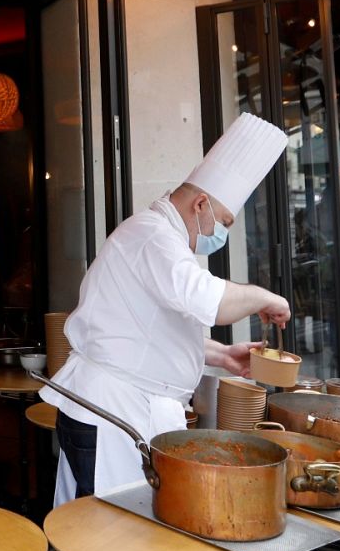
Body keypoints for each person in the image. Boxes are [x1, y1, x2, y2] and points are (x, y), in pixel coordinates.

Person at [40, 113, 292, 509]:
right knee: (109, 538)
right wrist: (266, 298)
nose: (221, 233)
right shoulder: (152, 235)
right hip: (112, 414)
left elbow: (151, 327)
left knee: (116, 536)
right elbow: (207, 299)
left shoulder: (163, 239)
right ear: (201, 203)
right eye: (223, 221)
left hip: (121, 409)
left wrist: (223, 355)